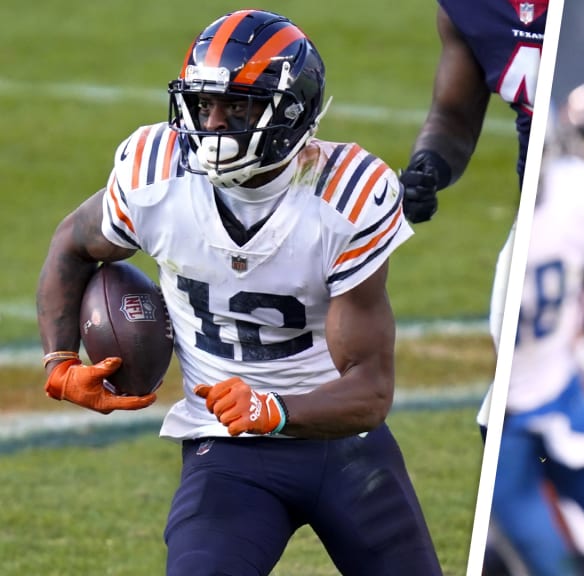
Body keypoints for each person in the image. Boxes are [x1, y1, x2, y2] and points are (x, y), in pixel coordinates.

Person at [35, 10, 442, 575]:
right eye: (205, 105)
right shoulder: (155, 176)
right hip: (225, 450)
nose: (215, 123)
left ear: (293, 112)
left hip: (344, 444)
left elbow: (371, 390)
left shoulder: (345, 196)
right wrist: (59, 359)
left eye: (240, 106)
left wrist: (273, 409)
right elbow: (71, 245)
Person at [487, 81, 584, 576]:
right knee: (549, 562)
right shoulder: (513, 237)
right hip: (507, 416)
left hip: (561, 391)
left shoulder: (580, 194)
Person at [397, 0, 549, 436]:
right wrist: (428, 167)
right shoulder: (470, 9)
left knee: (514, 409)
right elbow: (453, 116)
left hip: (570, 206)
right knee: (509, 411)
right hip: (531, 224)